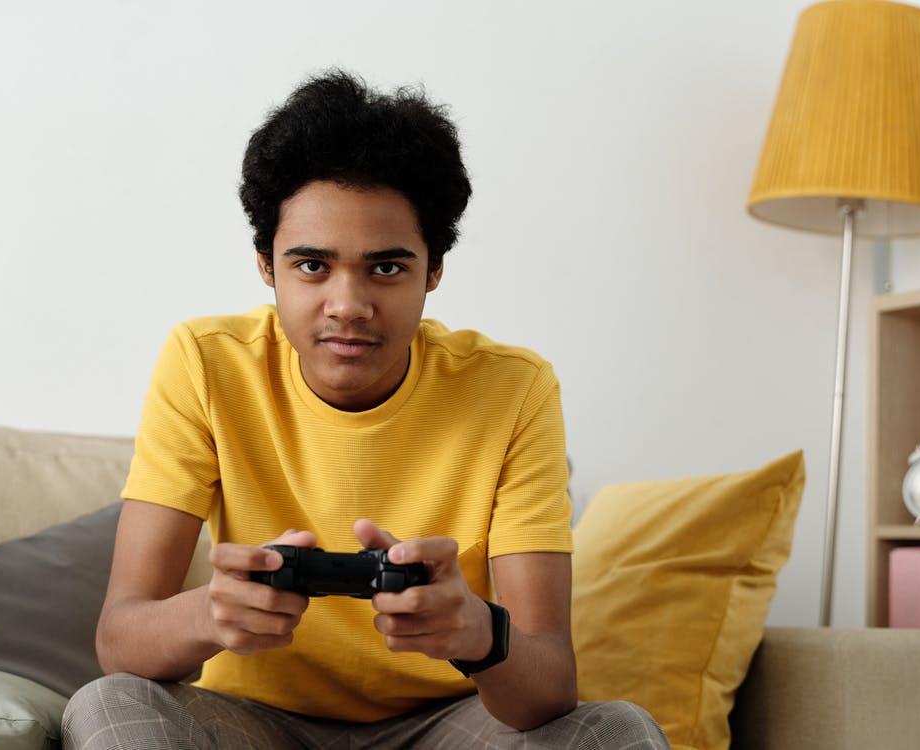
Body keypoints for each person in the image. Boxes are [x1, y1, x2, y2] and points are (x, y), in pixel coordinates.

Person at [62, 69, 670, 750]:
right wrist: (210, 613)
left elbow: (549, 688)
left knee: (618, 730)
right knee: (108, 705)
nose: (347, 304)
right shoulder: (206, 361)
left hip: (449, 727)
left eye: (385, 268)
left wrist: (477, 631)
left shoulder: (514, 388)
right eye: (312, 266)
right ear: (267, 265)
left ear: (433, 269)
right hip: (252, 726)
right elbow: (120, 640)